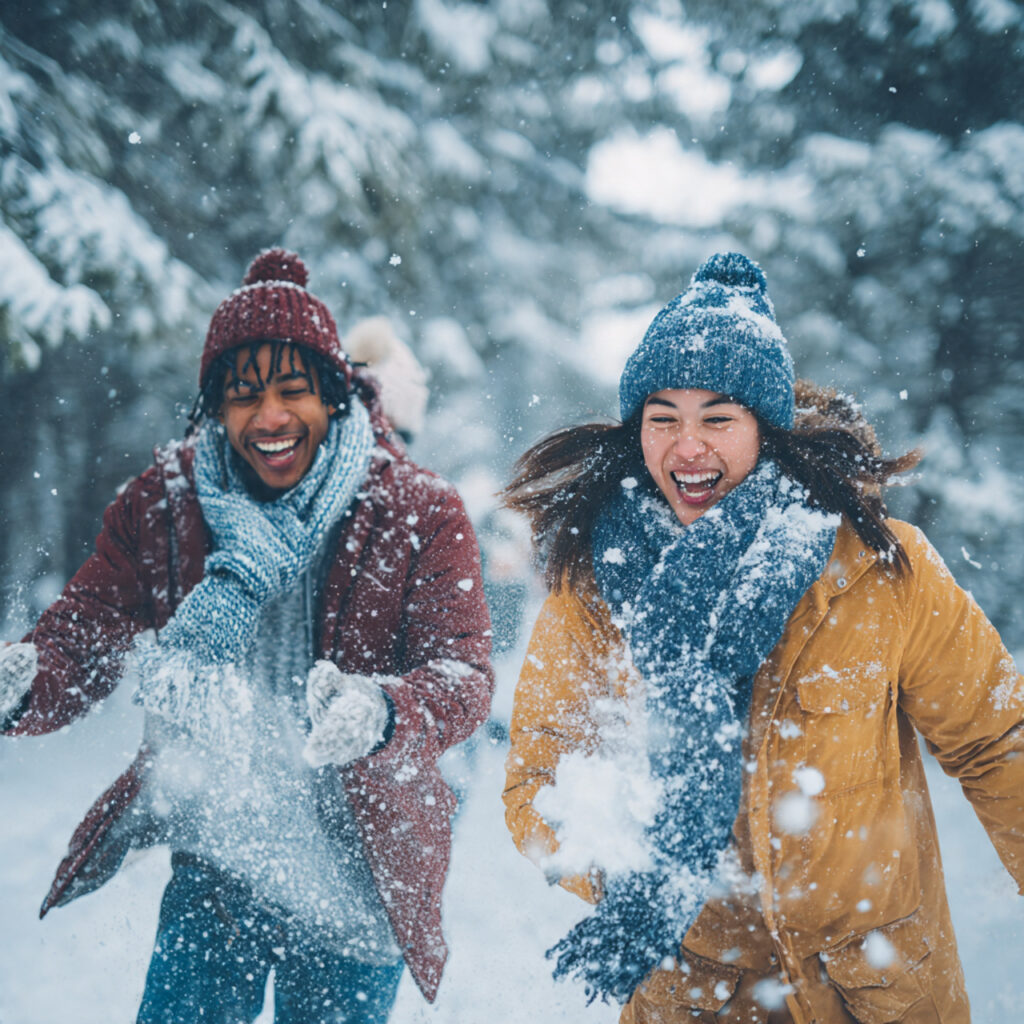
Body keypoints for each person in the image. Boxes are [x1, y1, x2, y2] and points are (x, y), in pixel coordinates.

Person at [500, 252, 1024, 1024]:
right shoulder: (595, 590)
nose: (687, 448)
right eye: (662, 418)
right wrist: (645, 878)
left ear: (765, 429)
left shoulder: (881, 569)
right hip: (695, 993)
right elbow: (535, 785)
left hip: (873, 991)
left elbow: (999, 740)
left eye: (718, 418)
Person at [0, 248, 493, 1023]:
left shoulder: (416, 510)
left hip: (360, 885)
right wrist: (29, 680)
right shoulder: (167, 500)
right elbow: (82, 633)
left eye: (295, 390)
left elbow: (463, 676)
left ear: (335, 395)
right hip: (217, 870)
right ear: (213, 409)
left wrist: (384, 710)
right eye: (244, 395)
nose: (269, 418)